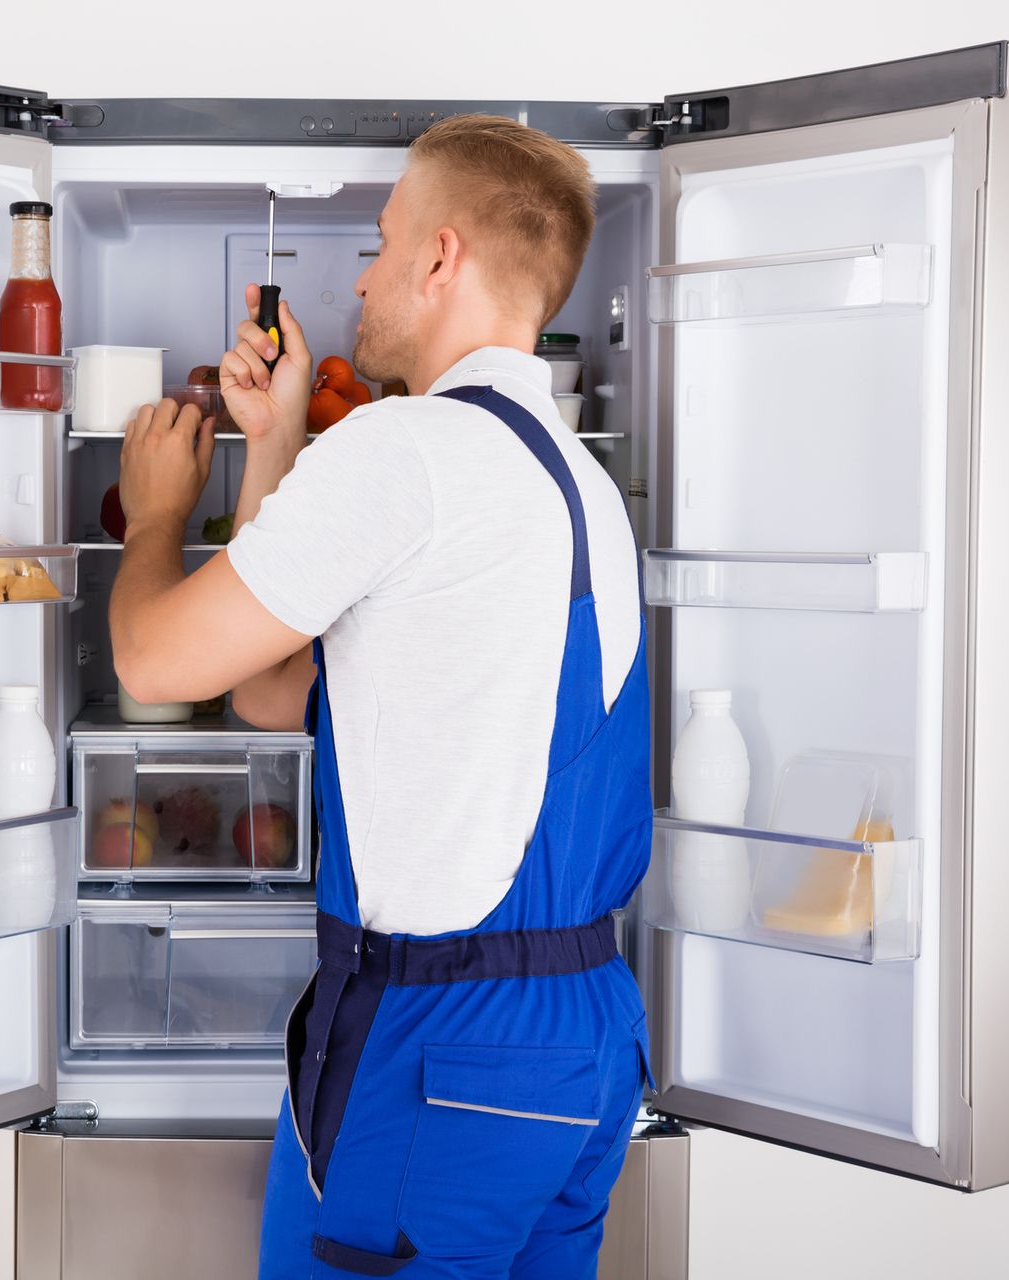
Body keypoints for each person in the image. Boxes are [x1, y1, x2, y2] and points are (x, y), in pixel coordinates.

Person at [111, 113, 652, 1279]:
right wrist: (271, 442)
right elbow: (269, 690)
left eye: (380, 238)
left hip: (441, 1046)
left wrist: (156, 510)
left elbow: (156, 663)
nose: (361, 275)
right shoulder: (574, 483)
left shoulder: (408, 450)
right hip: (586, 1043)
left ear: (441, 257)